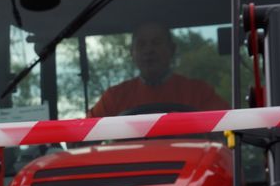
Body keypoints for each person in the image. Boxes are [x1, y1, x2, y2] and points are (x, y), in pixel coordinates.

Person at [88, 22, 229, 117]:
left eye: (156, 43)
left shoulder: (199, 92)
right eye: (141, 44)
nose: (149, 50)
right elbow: (79, 140)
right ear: (132, 53)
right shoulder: (113, 98)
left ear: (172, 49)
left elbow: (231, 129)